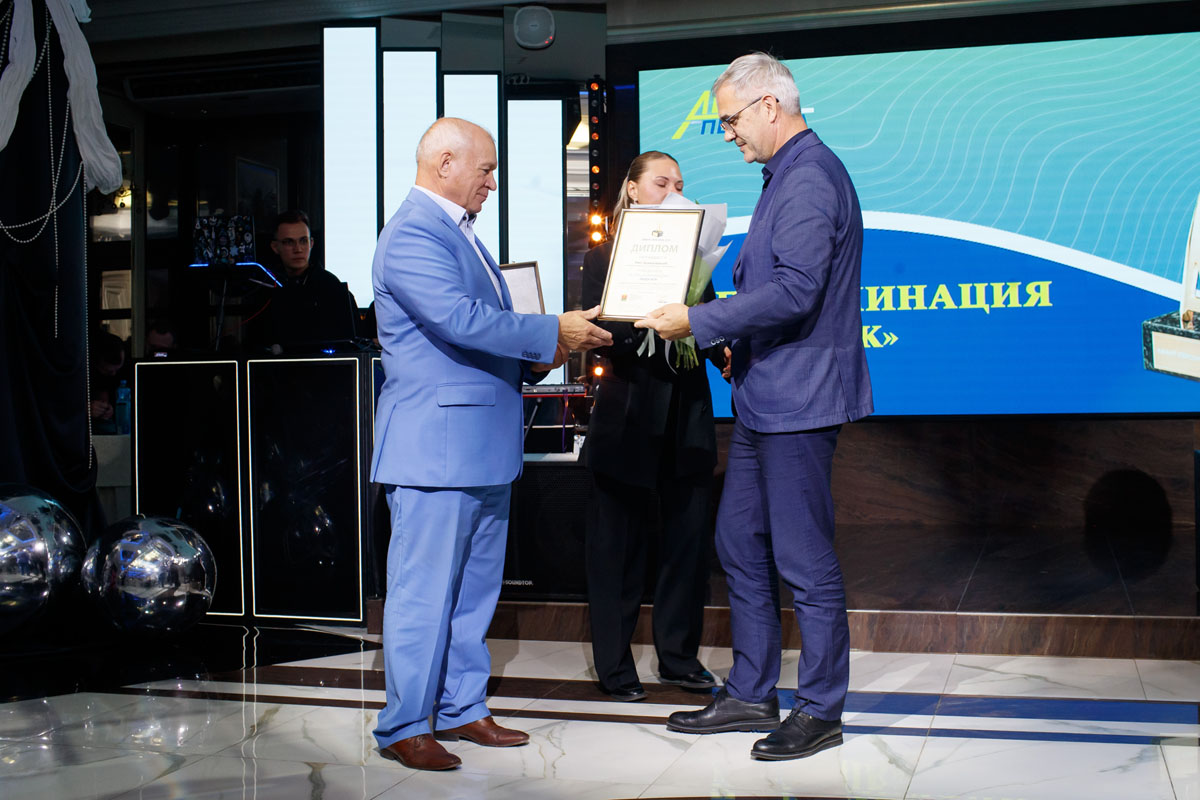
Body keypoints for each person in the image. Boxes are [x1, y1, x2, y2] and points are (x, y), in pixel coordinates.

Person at [637, 52, 873, 761]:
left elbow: (797, 291)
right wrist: (731, 342)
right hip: (764, 396)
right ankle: (750, 692)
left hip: (799, 399)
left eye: (731, 119)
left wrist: (698, 321)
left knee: (804, 557)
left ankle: (821, 709)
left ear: (770, 106)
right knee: (739, 540)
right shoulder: (784, 174)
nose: (728, 133)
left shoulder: (810, 176)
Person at [370, 117, 612, 771]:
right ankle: (404, 724)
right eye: (486, 169)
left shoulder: (459, 233)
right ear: (444, 163)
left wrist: (543, 352)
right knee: (423, 595)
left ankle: (460, 707)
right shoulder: (413, 233)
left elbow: (481, 333)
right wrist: (552, 331)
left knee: (474, 593)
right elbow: (459, 320)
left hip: (478, 445)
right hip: (435, 451)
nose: (493, 183)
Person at [581, 151, 724, 701]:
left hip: (687, 416)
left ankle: (679, 658)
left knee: (686, 547)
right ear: (634, 191)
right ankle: (615, 667)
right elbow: (601, 334)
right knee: (616, 550)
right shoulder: (602, 257)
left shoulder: (696, 259)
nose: (674, 192)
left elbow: (708, 329)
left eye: (681, 184)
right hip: (628, 416)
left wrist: (720, 346)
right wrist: (648, 313)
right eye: (662, 183)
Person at [248, 210, 359, 351]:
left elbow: (353, 346)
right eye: (289, 242)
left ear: (311, 243)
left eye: (303, 241)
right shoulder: (265, 290)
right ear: (275, 247)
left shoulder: (333, 288)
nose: (298, 249)